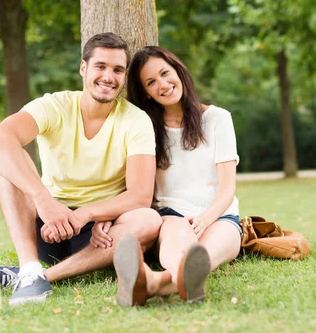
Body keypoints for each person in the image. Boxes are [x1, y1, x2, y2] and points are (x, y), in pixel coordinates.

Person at [0, 33, 171, 306]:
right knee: (9, 166)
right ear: (83, 68)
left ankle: (37, 277)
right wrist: (43, 199)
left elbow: (139, 197)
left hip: (98, 235)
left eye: (117, 70)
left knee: (148, 220)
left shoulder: (136, 121)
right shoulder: (55, 105)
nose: (108, 77)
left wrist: (86, 214)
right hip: (47, 226)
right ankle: (30, 265)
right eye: (100, 66)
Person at [92, 46, 242, 303]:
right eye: (151, 82)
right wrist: (106, 213)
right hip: (171, 218)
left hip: (220, 217)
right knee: (181, 247)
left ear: (179, 71)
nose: (162, 84)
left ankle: (151, 282)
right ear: (147, 93)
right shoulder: (145, 128)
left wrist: (205, 220)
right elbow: (134, 183)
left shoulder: (218, 118)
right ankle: (175, 281)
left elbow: (227, 189)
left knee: (202, 255)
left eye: (165, 73)